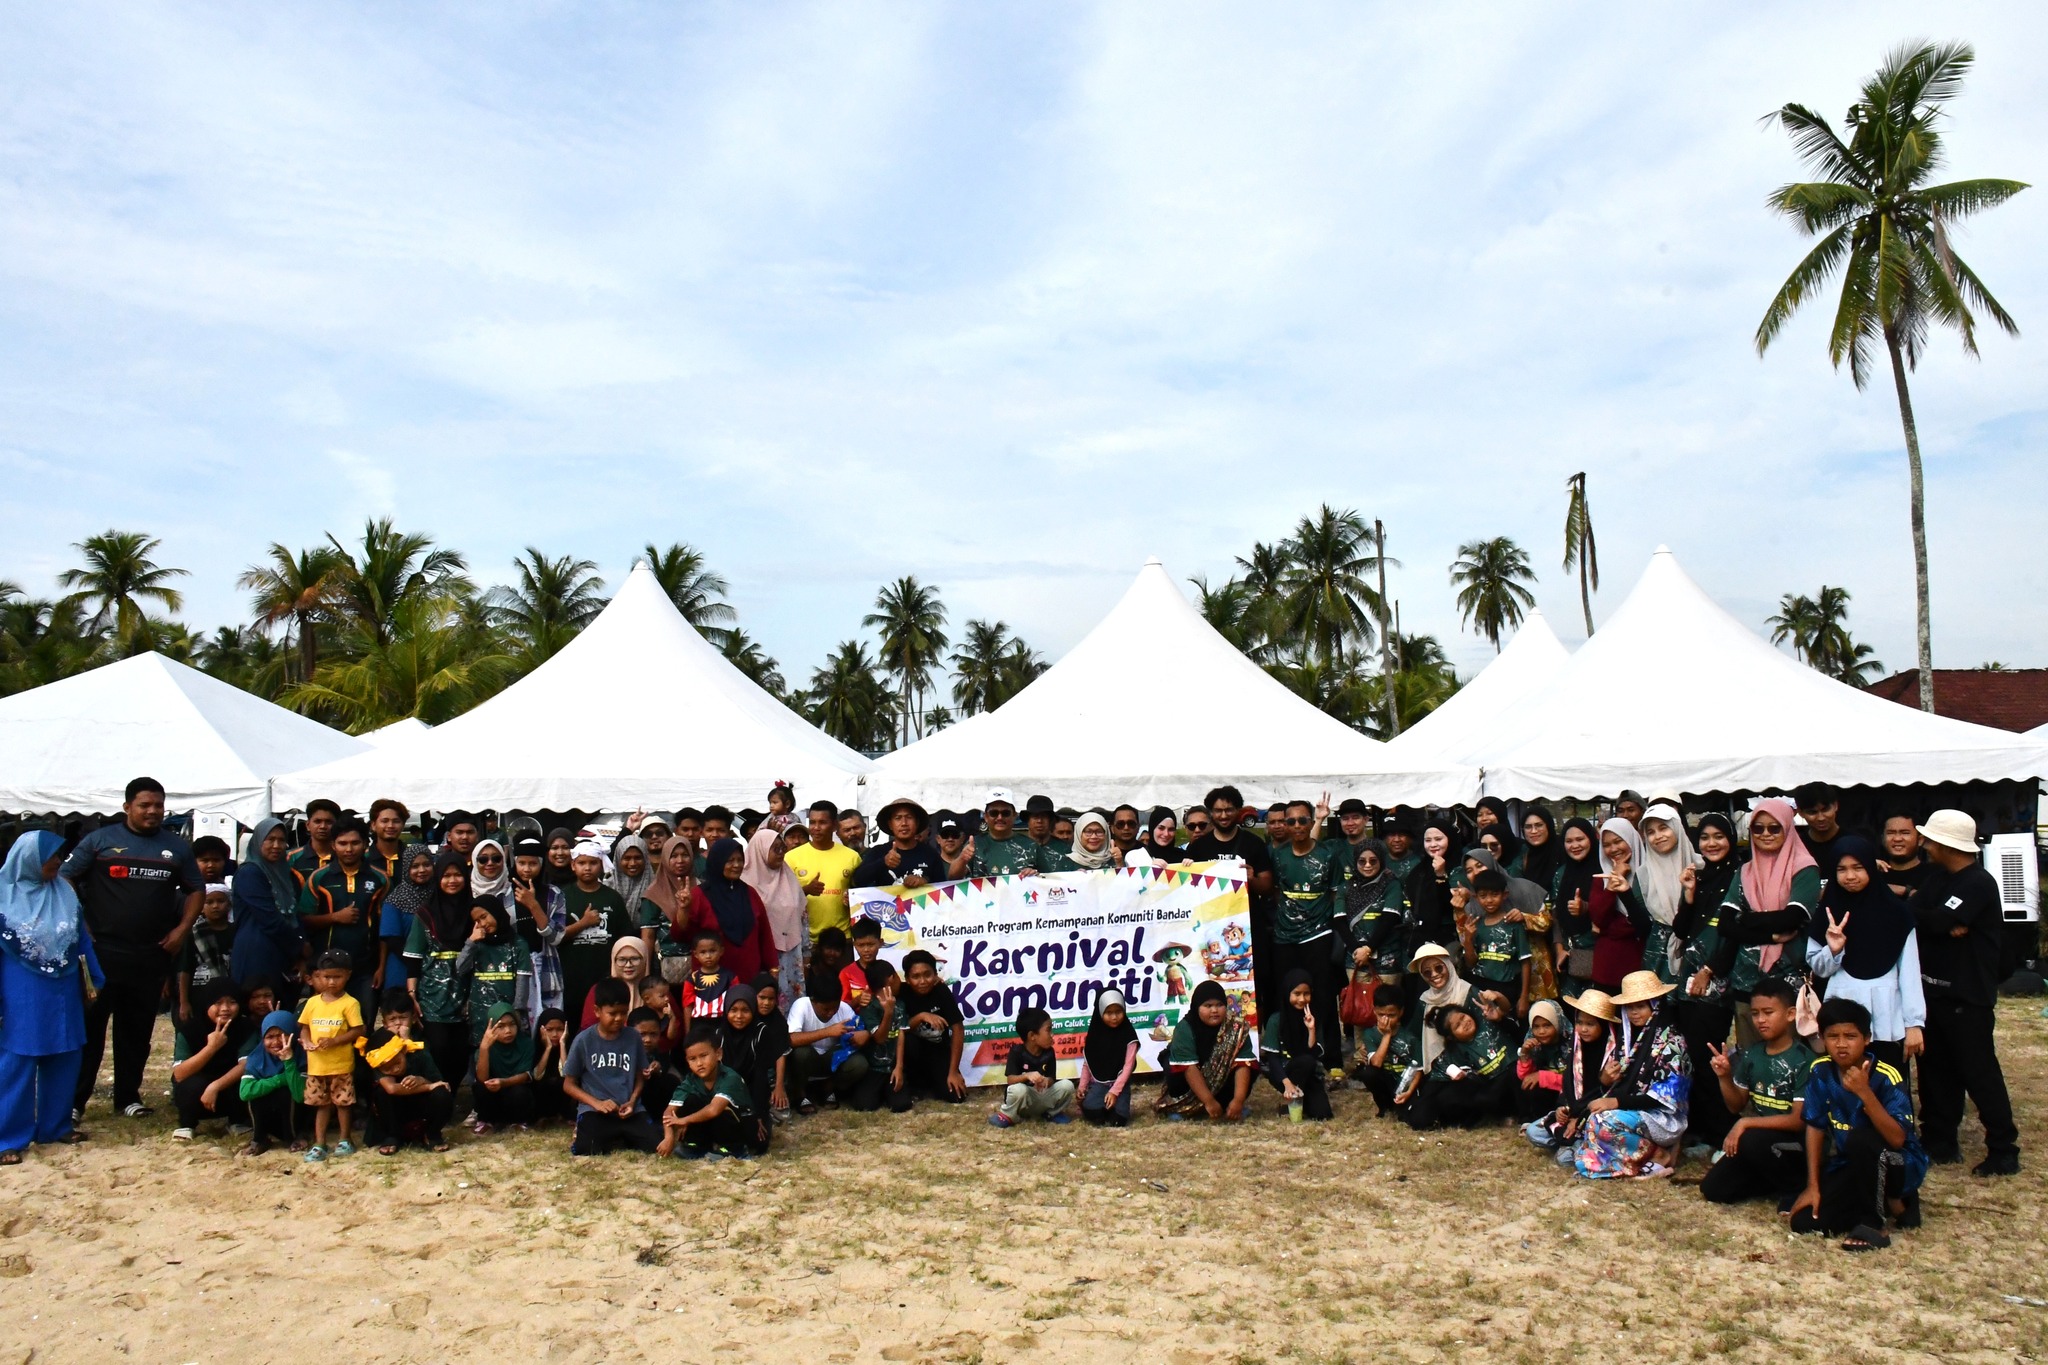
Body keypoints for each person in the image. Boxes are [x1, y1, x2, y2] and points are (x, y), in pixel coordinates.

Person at [64, 777, 204, 1119]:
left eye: (158, 805)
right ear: (127, 807)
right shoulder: (99, 841)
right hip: (101, 953)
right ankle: (75, 1102)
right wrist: (80, 924)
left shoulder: (176, 847)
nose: (153, 811)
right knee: (91, 1029)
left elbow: (196, 890)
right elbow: (65, 877)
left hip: (150, 954)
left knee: (137, 1030)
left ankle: (128, 1097)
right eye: (145, 805)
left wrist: (182, 930)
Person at [1909, 809, 2019, 1176]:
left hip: (1967, 997)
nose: (1924, 845)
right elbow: (1916, 913)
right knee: (1934, 1071)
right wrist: (1938, 922)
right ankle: (1939, 1140)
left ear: (1945, 844)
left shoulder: (1978, 883)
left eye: (1929, 840)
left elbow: (1937, 918)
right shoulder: (1938, 879)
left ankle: (2003, 1148)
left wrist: (1937, 920)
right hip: (1933, 993)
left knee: (1978, 1072)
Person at [0, 830, 105, 1163]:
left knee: (66, 1053)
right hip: (20, 991)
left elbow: (80, 938)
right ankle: (8, 1138)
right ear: (29, 860)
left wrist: (94, 978)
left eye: (60, 855)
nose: (59, 861)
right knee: (18, 1060)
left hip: (64, 989)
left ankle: (55, 1126)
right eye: (52, 856)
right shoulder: (3, 897)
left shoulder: (65, 891)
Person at [1791, 997, 1927, 1250]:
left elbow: (1897, 1139)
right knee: (1804, 1222)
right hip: (1851, 1162)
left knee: (1861, 1138)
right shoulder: (1821, 1070)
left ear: (1866, 1039)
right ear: (1822, 1038)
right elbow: (1815, 1126)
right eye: (1833, 1036)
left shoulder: (1886, 1076)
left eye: (1850, 1036)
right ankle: (1891, 1204)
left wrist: (1865, 1093)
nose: (1841, 1044)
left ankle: (1875, 1223)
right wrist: (1813, 1186)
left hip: (1897, 1161)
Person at [1807, 836, 1925, 1081]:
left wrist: (1914, 1023)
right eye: (1841, 869)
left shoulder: (1897, 913)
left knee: (1888, 1083)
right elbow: (1818, 967)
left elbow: (1910, 972)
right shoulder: (1828, 912)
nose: (1850, 876)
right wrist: (1834, 950)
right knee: (1842, 1084)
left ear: (1871, 867)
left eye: (1858, 867)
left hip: (1887, 1016)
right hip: (1841, 1014)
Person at [1700, 979, 1816, 1207]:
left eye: (1768, 1012)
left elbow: (1798, 1121)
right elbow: (1736, 1105)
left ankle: (1795, 1187)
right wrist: (1724, 1076)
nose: (1760, 1020)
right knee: (1713, 1189)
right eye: (1755, 1014)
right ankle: (1771, 1180)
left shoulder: (1804, 1059)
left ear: (1790, 1014)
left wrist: (1745, 1123)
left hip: (1796, 1145)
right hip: (1760, 1142)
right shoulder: (1752, 1054)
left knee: (1751, 1139)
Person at [1712, 799, 1819, 1046]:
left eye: (1774, 828)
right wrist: (1769, 936)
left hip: (1787, 981)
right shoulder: (1745, 872)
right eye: (1758, 828)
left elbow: (1792, 918)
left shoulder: (1804, 868)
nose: (1765, 834)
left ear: (1788, 828)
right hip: (1746, 981)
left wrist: (1746, 918)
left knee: (1790, 1054)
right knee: (1750, 1055)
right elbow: (1725, 925)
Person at [1573, 971, 1689, 1179]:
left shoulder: (1672, 1044)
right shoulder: (1629, 1040)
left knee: (1604, 1121)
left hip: (1663, 1118)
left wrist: (1615, 1102)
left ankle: (1658, 1155)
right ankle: (1636, 1159)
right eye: (1629, 1007)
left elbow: (1663, 1099)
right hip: (1634, 1111)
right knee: (1593, 1120)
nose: (1634, 1013)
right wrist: (1606, 1080)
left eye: (1640, 1006)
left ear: (1655, 1005)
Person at [1672, 812, 1743, 1148]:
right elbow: (1680, 929)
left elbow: (1735, 934)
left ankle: (1719, 1131)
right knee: (1692, 1054)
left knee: (1710, 1054)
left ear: (1731, 839)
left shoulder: (1740, 877)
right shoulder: (1699, 876)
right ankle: (1697, 1126)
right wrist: (1689, 894)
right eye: (1705, 838)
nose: (1711, 843)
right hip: (1689, 977)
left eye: (1719, 836)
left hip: (1717, 979)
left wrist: (1710, 970)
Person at [1185, 786, 1278, 1007]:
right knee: (1214, 978)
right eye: (1218, 810)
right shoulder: (1198, 847)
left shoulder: (1253, 843)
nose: (1223, 815)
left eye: (1229, 810)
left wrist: (1251, 879)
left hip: (1248, 927)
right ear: (1210, 813)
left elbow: (1267, 886)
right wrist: (1185, 869)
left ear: (1238, 811)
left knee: (1253, 983)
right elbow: (1185, 888)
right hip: (1210, 927)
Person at [1267, 798, 1343, 1070]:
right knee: (1286, 997)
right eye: (1291, 821)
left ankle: (1332, 1059)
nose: (1297, 825)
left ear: (1311, 822)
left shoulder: (1328, 855)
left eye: (1303, 820)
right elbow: (1277, 891)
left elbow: (1335, 893)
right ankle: (1288, 1053)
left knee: (1323, 996)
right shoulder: (1278, 855)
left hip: (1318, 935)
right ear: (1285, 825)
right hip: (1284, 937)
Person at [297, 819, 389, 1020]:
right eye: (342, 843)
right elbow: (304, 920)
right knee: (328, 1025)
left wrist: (381, 967)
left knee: (363, 1023)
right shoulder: (318, 878)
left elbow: (385, 929)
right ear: (333, 845)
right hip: (327, 968)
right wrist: (335, 917)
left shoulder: (380, 879)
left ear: (365, 844)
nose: (349, 849)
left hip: (366, 967)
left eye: (355, 843)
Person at [404, 850, 478, 1091]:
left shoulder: (474, 913)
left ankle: (451, 1094)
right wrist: (412, 994)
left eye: (458, 875)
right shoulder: (425, 914)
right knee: (439, 1047)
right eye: (446, 876)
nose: (452, 880)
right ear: (437, 879)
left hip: (466, 993)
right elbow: (414, 957)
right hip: (432, 996)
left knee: (461, 1051)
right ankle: (438, 1094)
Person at [564, 978, 660, 1155]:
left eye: (623, 1013)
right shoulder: (583, 1040)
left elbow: (640, 1076)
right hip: (595, 1111)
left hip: (629, 1110)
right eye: (612, 1013)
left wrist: (632, 1101)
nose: (618, 1018)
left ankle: (621, 1135)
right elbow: (568, 1085)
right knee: (586, 1149)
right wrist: (597, 1103)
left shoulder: (633, 1037)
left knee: (655, 1145)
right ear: (597, 1011)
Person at [1527, 989, 1618, 1156]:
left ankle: (1576, 1145)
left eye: (1590, 1024)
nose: (1583, 1029)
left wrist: (1580, 1118)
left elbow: (1607, 1095)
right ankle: (1574, 1144)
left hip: (1594, 1116)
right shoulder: (1576, 1046)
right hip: (1573, 1111)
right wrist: (1562, 1108)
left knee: (1564, 1159)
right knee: (1533, 1132)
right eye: (1579, 1022)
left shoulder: (1614, 1053)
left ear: (1603, 1024)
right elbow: (1568, 1083)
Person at [298, 949, 366, 1161]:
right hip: (317, 1065)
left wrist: (335, 1041)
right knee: (322, 1104)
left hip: (341, 1064)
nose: (331, 982)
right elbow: (304, 1027)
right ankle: (320, 1143)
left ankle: (345, 1139)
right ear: (318, 975)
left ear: (347, 975)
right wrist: (306, 1041)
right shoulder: (312, 1003)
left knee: (343, 1103)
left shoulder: (350, 1003)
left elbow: (358, 1030)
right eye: (327, 977)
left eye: (337, 977)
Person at [559, 841, 636, 1031]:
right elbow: (555, 936)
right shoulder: (562, 896)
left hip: (604, 979)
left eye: (593, 863)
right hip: (571, 980)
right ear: (573, 865)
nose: (587, 868)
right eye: (582, 863)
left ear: (601, 864)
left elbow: (624, 940)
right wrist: (583, 923)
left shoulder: (612, 898)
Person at [658, 1023, 763, 1160]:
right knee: (690, 1101)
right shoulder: (691, 1080)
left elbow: (714, 1110)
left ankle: (734, 1150)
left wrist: (684, 1120)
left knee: (723, 1109)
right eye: (692, 1059)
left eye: (703, 1056)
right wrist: (669, 1136)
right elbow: (669, 1111)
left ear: (718, 1054)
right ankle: (696, 1146)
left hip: (744, 1127)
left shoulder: (730, 1077)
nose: (699, 1063)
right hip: (715, 1126)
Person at [1156, 980, 1256, 1121]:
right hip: (1189, 1085)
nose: (1214, 1010)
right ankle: (1185, 1108)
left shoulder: (1236, 1028)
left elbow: (1243, 1064)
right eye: (1208, 1006)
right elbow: (1189, 1068)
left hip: (1222, 1085)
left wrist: (1238, 1100)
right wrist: (1209, 1101)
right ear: (1197, 1007)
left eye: (1219, 1005)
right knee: (1174, 1071)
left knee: (1250, 1068)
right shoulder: (1185, 1028)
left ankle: (1229, 1105)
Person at [1404, 999, 1512, 1130]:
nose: (1464, 1023)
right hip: (1488, 1090)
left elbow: (1512, 1022)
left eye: (1463, 1017)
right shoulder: (1455, 1053)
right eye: (1457, 1026)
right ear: (1451, 1037)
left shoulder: (1488, 1023)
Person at [169, 980, 254, 1141]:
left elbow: (245, 1065)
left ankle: (237, 1121)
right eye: (218, 1003)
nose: (225, 1008)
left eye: (232, 1002)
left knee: (246, 1080)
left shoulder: (246, 1027)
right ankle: (187, 1124)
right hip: (198, 1093)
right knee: (190, 1085)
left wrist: (215, 1086)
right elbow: (179, 1074)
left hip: (229, 1090)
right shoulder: (189, 1030)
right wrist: (211, 1048)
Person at [685, 839, 778, 984]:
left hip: (750, 976)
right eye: (730, 861)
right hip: (712, 980)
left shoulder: (750, 893)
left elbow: (764, 934)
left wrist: (772, 967)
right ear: (718, 862)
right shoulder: (699, 895)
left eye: (740, 860)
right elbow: (681, 934)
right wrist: (683, 909)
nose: (737, 865)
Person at [228, 817, 304, 990]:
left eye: (281, 840)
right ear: (258, 841)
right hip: (256, 952)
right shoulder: (250, 873)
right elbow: (269, 919)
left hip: (284, 952)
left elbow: (296, 913)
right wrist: (299, 946)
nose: (276, 845)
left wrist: (300, 947)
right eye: (270, 839)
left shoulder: (287, 874)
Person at [890, 950, 966, 1112]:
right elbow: (898, 1030)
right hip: (911, 1054)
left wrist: (953, 1071)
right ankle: (912, 1085)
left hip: (938, 1051)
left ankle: (934, 1083)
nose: (923, 981)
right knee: (909, 1041)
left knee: (957, 1097)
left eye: (927, 975)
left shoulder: (941, 991)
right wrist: (921, 1017)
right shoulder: (902, 993)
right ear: (907, 979)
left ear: (935, 974)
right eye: (916, 976)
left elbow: (958, 1029)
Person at [785, 971, 870, 1111]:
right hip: (809, 1059)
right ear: (813, 1000)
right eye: (825, 1009)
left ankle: (829, 1087)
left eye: (834, 1008)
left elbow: (858, 1032)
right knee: (800, 1053)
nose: (831, 1012)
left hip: (831, 1059)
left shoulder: (844, 1009)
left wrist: (863, 1035)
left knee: (859, 1063)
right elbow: (791, 1039)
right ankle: (800, 1094)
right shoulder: (801, 1005)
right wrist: (828, 1031)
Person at [1632, 803, 1697, 985]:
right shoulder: (1643, 875)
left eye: (1663, 828)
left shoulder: (1699, 867)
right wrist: (1624, 894)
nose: (1658, 836)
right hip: (1657, 957)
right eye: (1650, 832)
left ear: (1677, 827)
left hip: (1695, 953)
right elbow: (1642, 924)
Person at [742, 827, 808, 1005]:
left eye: (782, 848)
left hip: (791, 954)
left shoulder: (789, 878)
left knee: (791, 1002)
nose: (780, 853)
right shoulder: (745, 883)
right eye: (775, 849)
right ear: (761, 850)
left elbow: (803, 917)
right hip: (760, 954)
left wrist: (807, 952)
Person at [363, 1027, 453, 1153]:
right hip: (396, 1109)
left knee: (442, 1093)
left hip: (421, 1105)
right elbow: (392, 1089)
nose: (395, 1069)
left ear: (404, 1050)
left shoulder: (420, 1054)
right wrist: (427, 1086)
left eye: (398, 1063)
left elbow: (438, 1083)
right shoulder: (378, 1062)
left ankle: (432, 1134)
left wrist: (422, 1080)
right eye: (388, 1069)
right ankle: (393, 1136)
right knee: (381, 1092)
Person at [506, 836, 568, 1019]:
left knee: (549, 1024)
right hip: (515, 970)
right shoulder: (504, 895)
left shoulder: (554, 894)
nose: (526, 869)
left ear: (541, 864)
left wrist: (533, 905)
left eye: (532, 863)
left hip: (547, 968)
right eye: (521, 863)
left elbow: (556, 938)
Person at [1456, 867, 1532, 1018]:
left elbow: (1525, 962)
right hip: (1479, 984)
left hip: (1506, 987)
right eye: (1483, 896)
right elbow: (1471, 964)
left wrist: (1524, 997)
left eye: (1494, 894)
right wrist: (1468, 940)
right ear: (1476, 897)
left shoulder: (1513, 924)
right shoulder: (1475, 925)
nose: (1489, 900)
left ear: (1505, 895)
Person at [1259, 969, 1333, 1121]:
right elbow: (1272, 1059)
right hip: (1283, 1073)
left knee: (1322, 1113)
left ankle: (1297, 1101)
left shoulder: (1314, 1018)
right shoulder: (1276, 1020)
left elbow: (1314, 1054)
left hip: (1309, 1072)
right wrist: (1287, 1084)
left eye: (1306, 994)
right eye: (1297, 994)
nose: (1302, 999)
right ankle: (1290, 1097)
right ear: (1287, 993)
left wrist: (1311, 1029)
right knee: (1304, 1062)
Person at [1588, 819, 1650, 995]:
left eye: (1618, 841)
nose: (1613, 849)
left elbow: (1646, 923)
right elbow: (1598, 919)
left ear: (1631, 839)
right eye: (1606, 845)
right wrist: (1611, 885)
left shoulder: (1648, 874)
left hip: (1638, 965)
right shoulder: (1601, 878)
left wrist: (1611, 929)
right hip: (1607, 969)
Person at [461, 897, 532, 1048]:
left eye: (484, 916)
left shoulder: (518, 944)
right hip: (480, 1019)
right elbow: (460, 969)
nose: (482, 924)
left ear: (496, 912)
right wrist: (471, 942)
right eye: (477, 921)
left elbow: (522, 983)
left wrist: (515, 1014)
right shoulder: (476, 944)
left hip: (508, 1019)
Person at [992, 1007, 1075, 1127]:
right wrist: (1026, 1076)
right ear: (1032, 1036)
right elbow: (1010, 1080)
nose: (1052, 1034)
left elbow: (1052, 1078)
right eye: (1048, 1030)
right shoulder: (1017, 1052)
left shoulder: (1049, 1052)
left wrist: (1046, 1081)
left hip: (1041, 1096)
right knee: (1018, 1090)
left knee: (1067, 1085)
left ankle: (1051, 1113)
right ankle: (1009, 1115)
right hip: (1025, 1100)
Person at [237, 1009, 304, 1155]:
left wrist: (289, 1061)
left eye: (282, 1035)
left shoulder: (302, 1056)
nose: (276, 1042)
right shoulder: (256, 1058)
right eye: (269, 1037)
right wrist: (280, 1079)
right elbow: (245, 1092)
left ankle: (294, 1138)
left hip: (299, 1117)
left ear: (293, 1034)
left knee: (286, 1093)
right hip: (272, 1117)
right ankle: (260, 1140)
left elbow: (300, 1096)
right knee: (256, 1096)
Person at [1549, 818, 1601, 1000]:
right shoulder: (1560, 874)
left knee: (1595, 1006)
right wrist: (1559, 950)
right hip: (1570, 956)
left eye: (1580, 839)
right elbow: (1555, 915)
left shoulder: (1603, 870)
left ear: (1591, 839)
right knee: (1570, 1006)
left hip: (1598, 954)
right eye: (1569, 841)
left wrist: (1587, 908)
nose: (1575, 845)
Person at [1354, 985, 1422, 1118]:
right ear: (1374, 1011)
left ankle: (1400, 1104)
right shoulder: (1370, 1034)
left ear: (1401, 1012)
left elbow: (1418, 1069)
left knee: (1409, 1116)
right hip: (1385, 1079)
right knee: (1368, 1072)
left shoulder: (1410, 1036)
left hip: (1405, 1081)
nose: (1386, 1020)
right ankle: (1384, 1106)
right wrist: (1387, 1035)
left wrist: (1409, 1092)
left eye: (1391, 1015)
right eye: (1381, 1015)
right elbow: (1376, 1063)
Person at [377, 843, 435, 997]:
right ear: (406, 869)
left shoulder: (440, 895)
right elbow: (392, 940)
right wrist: (418, 963)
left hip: (437, 968)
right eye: (415, 866)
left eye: (426, 864)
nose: (421, 870)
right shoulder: (395, 900)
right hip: (402, 967)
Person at [175, 883, 237, 1024]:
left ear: (229, 905)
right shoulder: (194, 933)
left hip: (229, 994)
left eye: (220, 901)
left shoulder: (236, 931)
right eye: (209, 902)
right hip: (200, 993)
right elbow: (185, 969)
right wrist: (184, 1002)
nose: (215, 906)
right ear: (201, 907)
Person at [1077, 988, 1139, 1127]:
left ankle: (1115, 1108)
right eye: (1109, 1013)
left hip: (1120, 1085)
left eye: (1118, 1011)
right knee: (1092, 1113)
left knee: (1118, 1121)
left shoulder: (1129, 1035)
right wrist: (1082, 1086)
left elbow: (1128, 1067)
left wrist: (1114, 1092)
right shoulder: (1095, 1034)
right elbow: (1088, 1063)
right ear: (1100, 1012)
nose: (1114, 1017)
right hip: (1099, 1084)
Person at [640, 833, 697, 983]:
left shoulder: (702, 888)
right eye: (674, 856)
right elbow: (648, 936)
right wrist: (646, 974)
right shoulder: (654, 893)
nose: (680, 860)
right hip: (663, 968)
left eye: (685, 855)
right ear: (665, 858)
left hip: (701, 965)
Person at [472, 1003, 538, 1132]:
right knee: (480, 1087)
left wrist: (503, 1082)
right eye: (501, 1026)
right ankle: (486, 1121)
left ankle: (519, 1121)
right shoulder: (485, 1047)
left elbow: (526, 1075)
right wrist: (484, 1049)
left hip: (514, 1095)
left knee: (520, 1091)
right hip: (494, 1096)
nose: (508, 1031)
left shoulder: (526, 1044)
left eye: (512, 1024)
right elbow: (482, 1078)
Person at [1793, 781, 1861, 889]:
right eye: (1812, 812)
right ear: (1800, 813)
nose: (1821, 818)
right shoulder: (1796, 846)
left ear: (1835, 806)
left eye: (1825, 810)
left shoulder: (1856, 843)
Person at [1512, 999, 1567, 1124]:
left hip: (1568, 1098)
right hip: (1548, 1096)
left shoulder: (1572, 1043)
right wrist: (1525, 1054)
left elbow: (1577, 1082)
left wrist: (1543, 1076)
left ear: (1557, 1023)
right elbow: (1525, 1078)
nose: (1541, 1031)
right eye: (1536, 1027)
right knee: (1515, 1073)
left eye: (1547, 1025)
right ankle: (1530, 1120)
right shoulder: (1534, 1043)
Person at [972, 790, 1051, 876]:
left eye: (1005, 813)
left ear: (1014, 815)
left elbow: (1047, 879)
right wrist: (962, 860)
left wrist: (1035, 874)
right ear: (986, 817)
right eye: (993, 813)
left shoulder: (1031, 846)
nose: (1000, 818)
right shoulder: (973, 845)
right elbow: (960, 877)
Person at [289, 799, 340, 885]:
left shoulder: (347, 856)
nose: (323, 826)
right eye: (317, 821)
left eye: (328, 822)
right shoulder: (291, 858)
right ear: (308, 825)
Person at [1878, 812, 1929, 897]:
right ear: (1882, 839)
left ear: (1920, 840)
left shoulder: (1934, 876)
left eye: (1905, 833)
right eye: (1890, 833)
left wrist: (1906, 891)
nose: (1897, 839)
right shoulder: (1872, 873)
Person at [608, 835, 655, 924]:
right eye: (627, 858)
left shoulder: (656, 888)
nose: (633, 863)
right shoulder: (607, 888)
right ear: (618, 859)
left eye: (638, 858)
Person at [1052, 812, 1116, 873]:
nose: (1094, 836)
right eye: (1088, 832)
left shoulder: (1114, 859)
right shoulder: (1064, 863)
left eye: (1099, 832)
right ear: (1079, 834)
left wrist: (1119, 864)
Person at [367, 798, 410, 881]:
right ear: (373, 825)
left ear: (403, 825)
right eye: (384, 821)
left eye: (396, 821)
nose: (390, 826)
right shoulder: (363, 860)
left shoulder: (412, 858)